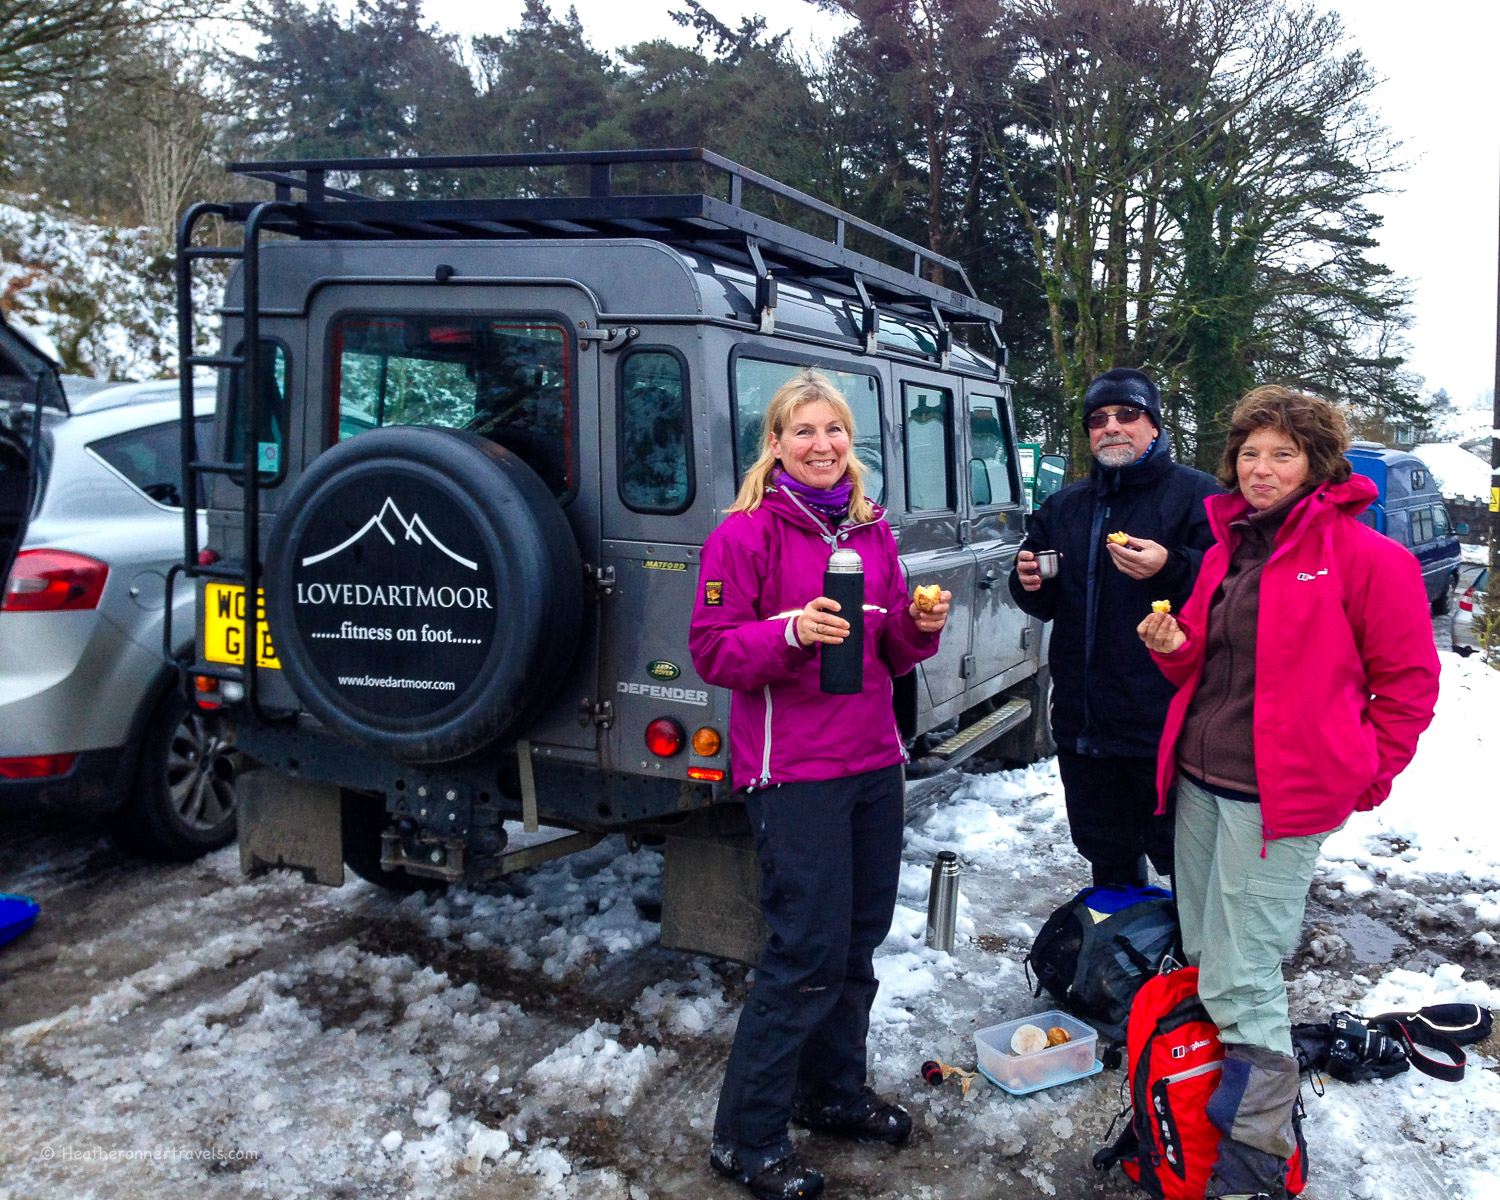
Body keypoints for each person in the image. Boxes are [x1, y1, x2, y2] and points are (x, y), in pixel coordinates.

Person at [1137, 386, 1439, 1199]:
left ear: (1316, 464)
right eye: (1249, 453)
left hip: (1280, 801)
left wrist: (1359, 774)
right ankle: (1206, 1114)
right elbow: (1208, 663)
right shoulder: (1227, 549)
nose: (1261, 468)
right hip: (1202, 780)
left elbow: (1409, 685)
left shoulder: (1370, 558)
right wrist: (1173, 645)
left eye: (1282, 454)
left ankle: (1256, 1166)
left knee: (1244, 975)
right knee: (1207, 957)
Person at [689, 370, 950, 1200]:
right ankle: (747, 1137)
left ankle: (830, 1092)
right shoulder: (745, 535)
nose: (822, 445)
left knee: (856, 946)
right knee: (803, 954)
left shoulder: (873, 533)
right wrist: (794, 632)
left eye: (833, 430)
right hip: (792, 770)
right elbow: (714, 651)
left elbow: (892, 654)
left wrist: (918, 628)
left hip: (872, 761)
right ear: (775, 445)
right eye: (802, 431)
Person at [1008, 367, 1219, 887]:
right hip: (1085, 724)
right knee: (1106, 853)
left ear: (1154, 426)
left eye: (1128, 414)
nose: (1112, 427)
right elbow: (1041, 599)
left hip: (1164, 728)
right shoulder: (1066, 506)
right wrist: (1028, 581)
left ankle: (1193, 961)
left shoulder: (1199, 495)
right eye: (1098, 419)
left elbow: (1232, 587)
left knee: (1182, 861)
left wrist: (1171, 565)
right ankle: (1125, 956)